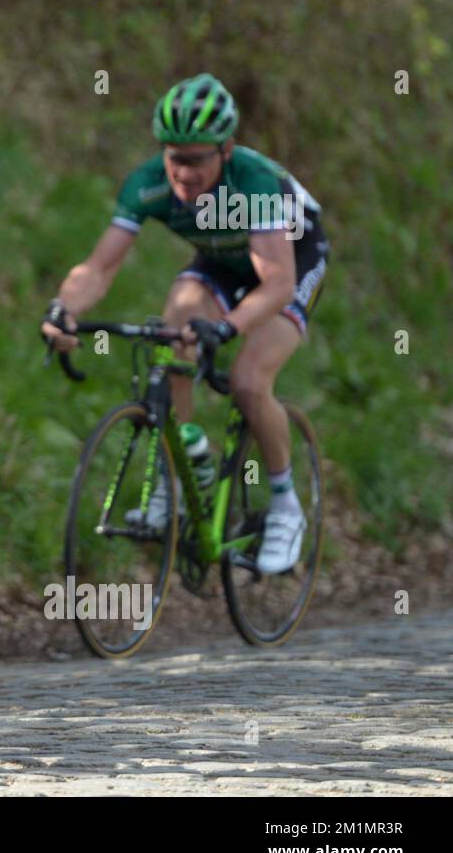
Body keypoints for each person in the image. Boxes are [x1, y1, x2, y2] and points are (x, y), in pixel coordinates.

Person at [42, 73, 328, 573]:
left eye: (196, 159)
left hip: (290, 262)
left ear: (226, 150)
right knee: (174, 329)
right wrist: (64, 310)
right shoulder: (148, 182)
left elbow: (277, 283)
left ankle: (286, 507)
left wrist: (230, 327)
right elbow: (99, 267)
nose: (183, 172)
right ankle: (176, 478)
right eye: (174, 156)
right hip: (220, 261)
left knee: (248, 379)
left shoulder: (255, 183)